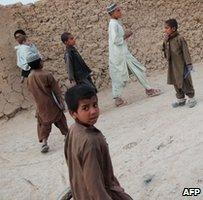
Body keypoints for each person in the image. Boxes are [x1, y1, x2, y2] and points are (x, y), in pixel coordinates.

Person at [64, 84, 133, 200]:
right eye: (85, 108)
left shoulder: (73, 129)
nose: (93, 111)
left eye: (95, 105)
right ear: (73, 113)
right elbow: (94, 184)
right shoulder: (90, 141)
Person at [107, 3, 161, 107]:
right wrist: (125, 35)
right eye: (118, 10)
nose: (120, 12)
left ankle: (148, 89)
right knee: (119, 76)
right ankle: (118, 98)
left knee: (137, 70)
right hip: (120, 56)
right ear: (112, 13)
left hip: (123, 54)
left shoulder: (116, 23)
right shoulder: (113, 24)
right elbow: (115, 40)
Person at [26, 47, 69, 153]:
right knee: (61, 121)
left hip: (40, 106)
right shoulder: (47, 75)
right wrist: (61, 102)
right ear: (39, 63)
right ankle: (67, 136)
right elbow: (56, 90)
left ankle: (44, 143)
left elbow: (31, 92)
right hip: (52, 104)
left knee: (44, 125)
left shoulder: (30, 77)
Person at [163, 19, 197, 108]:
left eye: (167, 28)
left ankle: (191, 98)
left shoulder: (180, 38)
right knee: (175, 81)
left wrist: (189, 64)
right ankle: (181, 99)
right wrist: (165, 41)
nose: (165, 30)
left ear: (173, 28)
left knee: (185, 80)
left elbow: (186, 51)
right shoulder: (167, 40)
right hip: (172, 66)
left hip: (181, 65)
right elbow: (165, 52)